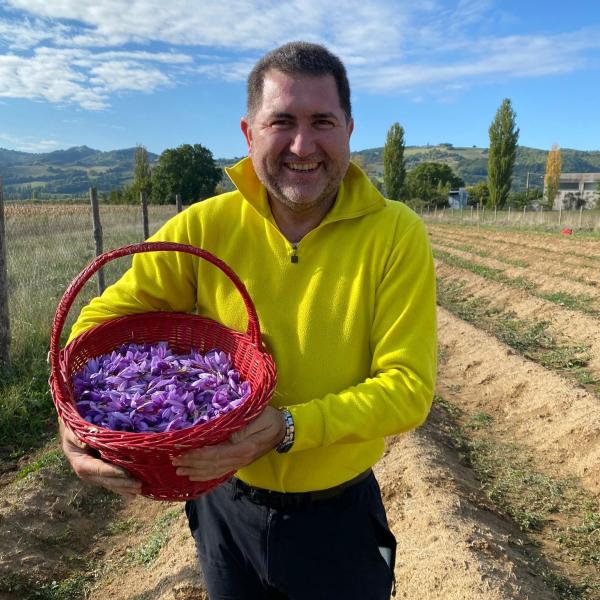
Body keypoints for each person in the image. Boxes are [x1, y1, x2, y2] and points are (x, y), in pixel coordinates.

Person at [59, 41, 437, 599]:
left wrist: (287, 429)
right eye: (281, 121)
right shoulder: (204, 227)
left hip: (337, 517)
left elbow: (408, 389)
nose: (302, 145)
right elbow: (98, 321)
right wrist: (78, 422)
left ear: (350, 131)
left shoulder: (394, 234)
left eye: (322, 122)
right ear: (248, 133)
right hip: (223, 508)